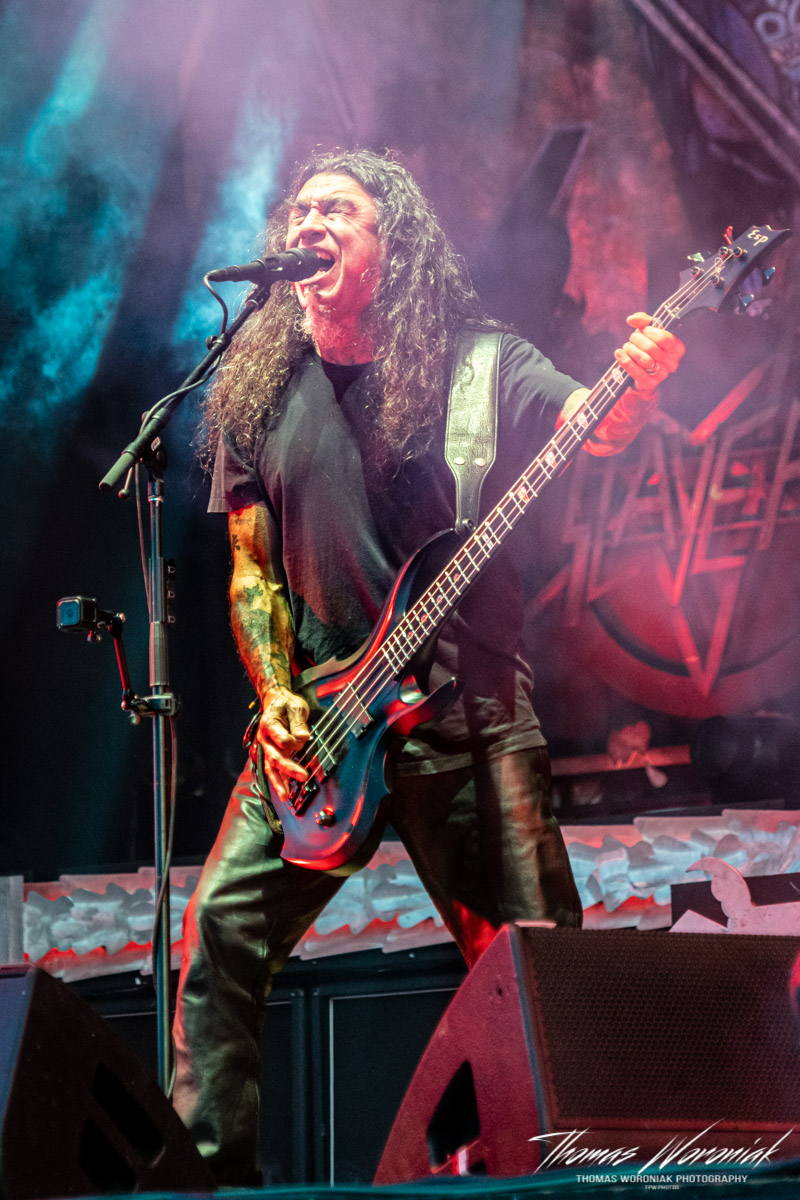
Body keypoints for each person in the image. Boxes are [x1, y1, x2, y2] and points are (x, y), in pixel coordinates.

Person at [172, 148, 685, 1183]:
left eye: (338, 210)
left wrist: (629, 394)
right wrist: (276, 695)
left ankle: (569, 1183)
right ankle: (207, 1183)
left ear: (392, 243)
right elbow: (250, 569)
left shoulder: (480, 363)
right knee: (217, 934)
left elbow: (589, 425)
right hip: (318, 734)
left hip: (469, 721)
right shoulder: (258, 388)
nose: (309, 223)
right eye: (300, 209)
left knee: (538, 972)